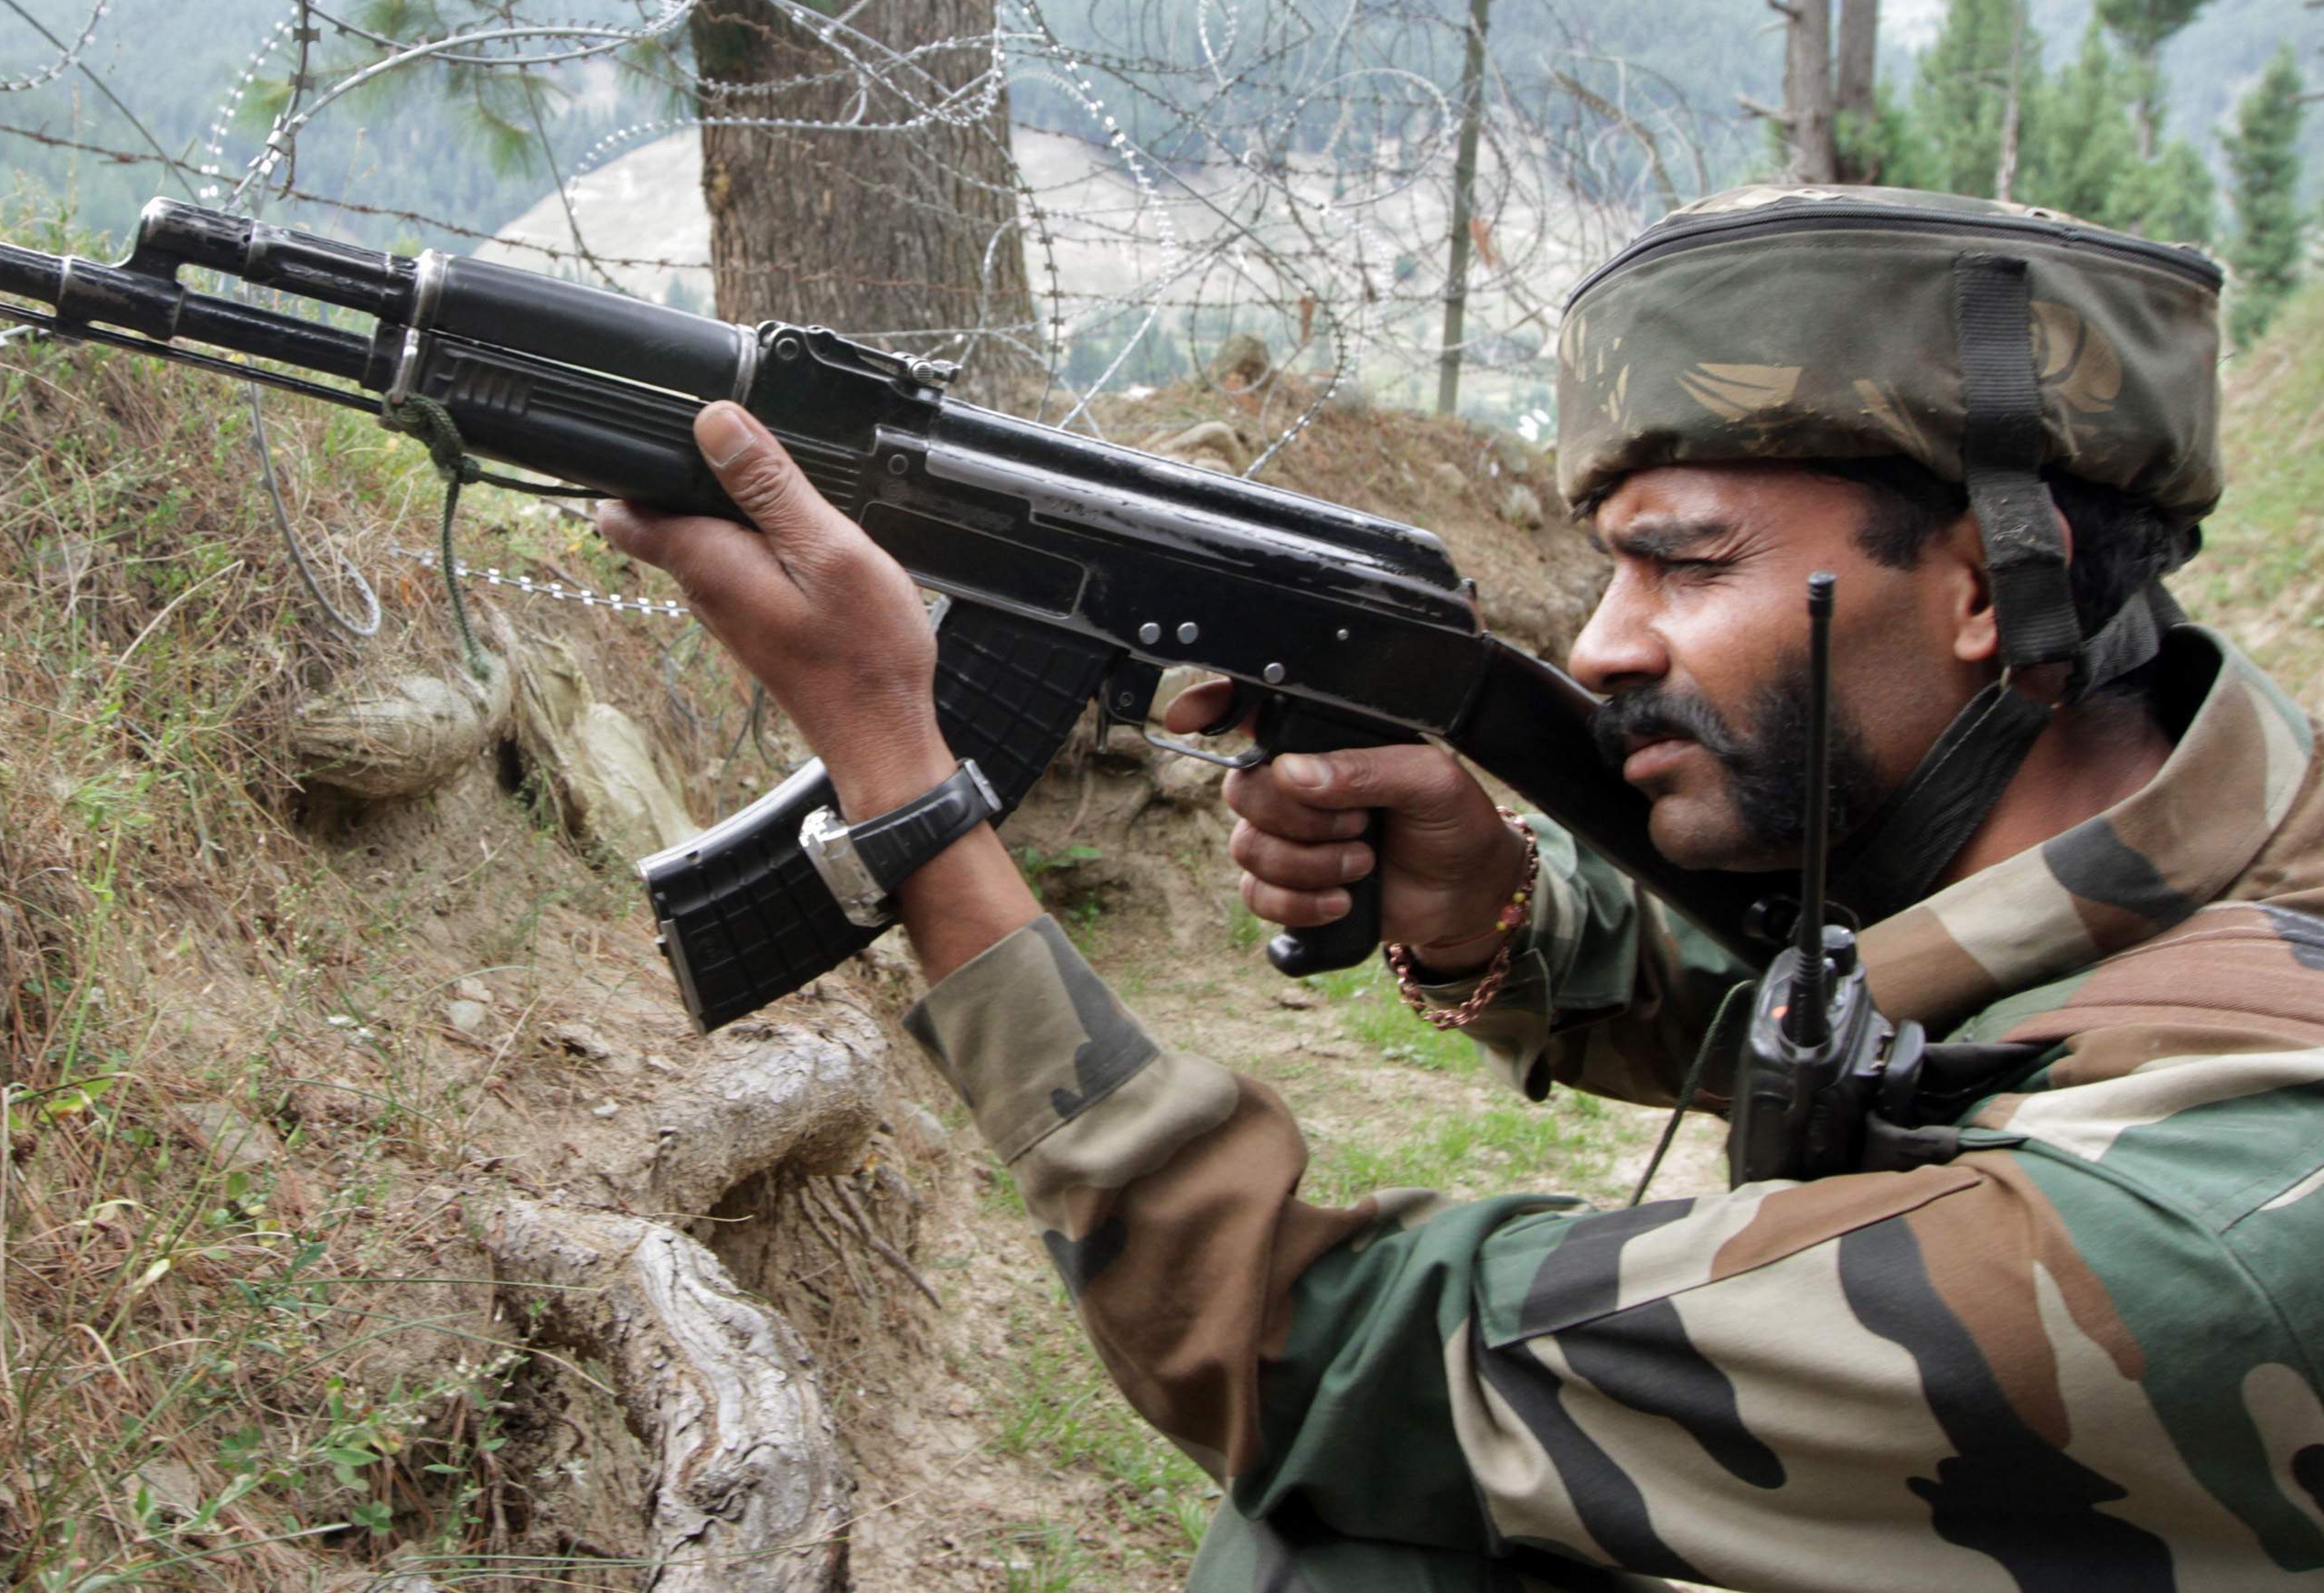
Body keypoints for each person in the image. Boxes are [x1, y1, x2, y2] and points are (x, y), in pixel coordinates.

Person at [598, 184, 2324, 1590]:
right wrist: (1499, 907)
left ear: (1974, 587)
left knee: (1348, 1548)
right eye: (1606, 558)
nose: (1601, 639)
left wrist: (906, 787)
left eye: (1687, 559)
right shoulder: (2207, 832)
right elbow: (1884, 1005)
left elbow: (1327, 1358)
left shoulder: (2184, 1242)